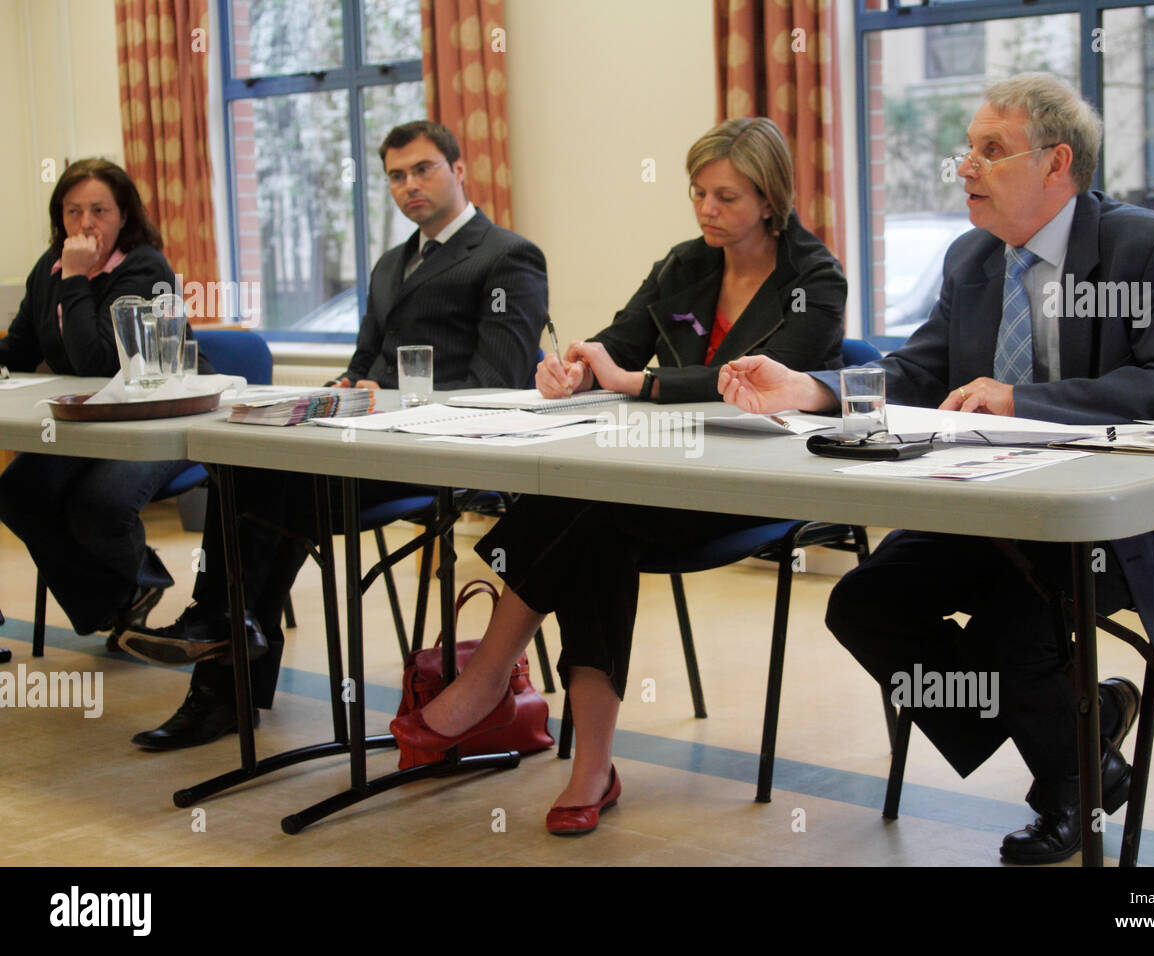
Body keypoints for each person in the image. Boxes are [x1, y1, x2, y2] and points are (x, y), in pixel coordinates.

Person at [717, 74, 1154, 863]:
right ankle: (1082, 746)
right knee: (865, 604)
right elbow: (918, 371)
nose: (964, 167)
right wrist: (809, 387)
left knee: (1021, 628)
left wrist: (1024, 402)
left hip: (1123, 518)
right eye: (965, 150)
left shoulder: (1149, 248)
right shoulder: (973, 258)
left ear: (1057, 164)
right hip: (992, 508)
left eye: (989, 150)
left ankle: (1065, 780)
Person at [388, 116, 847, 834]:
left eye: (725, 197)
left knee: (592, 508)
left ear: (769, 197)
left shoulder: (814, 279)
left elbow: (760, 386)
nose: (706, 212)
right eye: (698, 193)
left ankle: (489, 686)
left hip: (752, 484)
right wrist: (574, 365)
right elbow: (619, 340)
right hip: (658, 474)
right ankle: (587, 764)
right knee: (597, 516)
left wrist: (636, 383)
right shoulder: (685, 264)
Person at [121, 120, 549, 749]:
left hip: (440, 450)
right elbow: (364, 361)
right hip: (363, 439)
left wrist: (388, 402)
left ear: (459, 171)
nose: (410, 186)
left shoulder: (507, 255)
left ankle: (221, 664)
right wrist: (328, 396)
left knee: (268, 489)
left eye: (424, 169)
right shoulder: (390, 264)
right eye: (396, 176)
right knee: (246, 464)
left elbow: (502, 384)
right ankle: (226, 645)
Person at [0, 158, 204, 641]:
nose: (85, 224)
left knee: (99, 505)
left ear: (124, 217)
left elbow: (99, 361)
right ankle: (127, 596)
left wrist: (76, 279)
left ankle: (127, 595)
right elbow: (20, 350)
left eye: (99, 211)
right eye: (73, 212)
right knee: (17, 493)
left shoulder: (144, 268)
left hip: (160, 418)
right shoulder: (48, 268)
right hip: (87, 423)